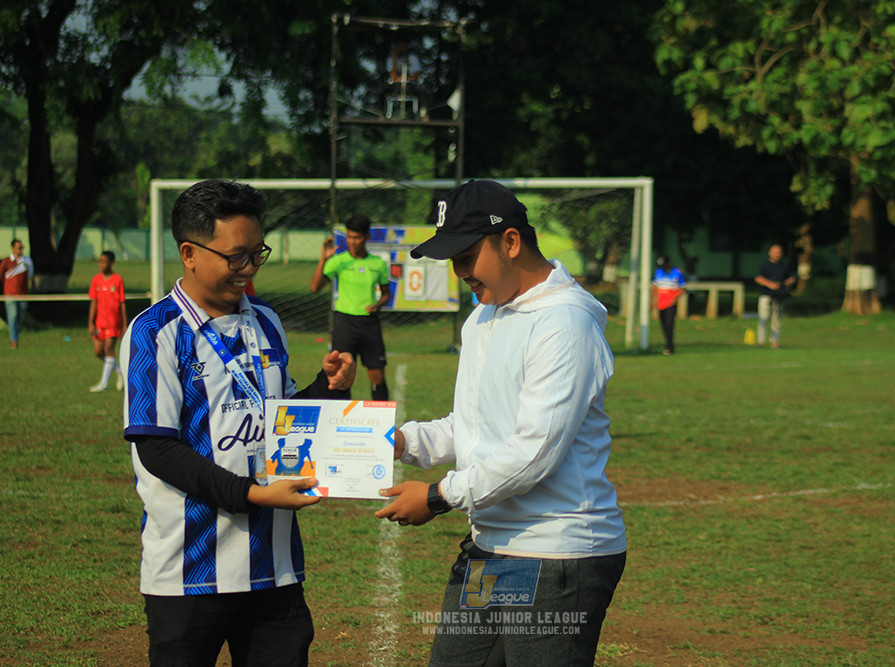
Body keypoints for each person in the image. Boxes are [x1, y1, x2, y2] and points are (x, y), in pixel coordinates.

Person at [374, 180, 627, 666]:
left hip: (557, 553)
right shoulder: (482, 318)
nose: (459, 272)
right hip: (490, 544)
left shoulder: (564, 323)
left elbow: (533, 453)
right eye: (453, 260)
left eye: (467, 256)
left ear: (510, 242)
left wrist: (437, 496)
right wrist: (402, 441)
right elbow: (473, 423)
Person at [121, 179, 357, 667]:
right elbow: (158, 450)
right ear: (189, 253)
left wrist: (329, 388)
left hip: (275, 570)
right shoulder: (155, 332)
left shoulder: (266, 321)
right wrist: (253, 495)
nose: (248, 268)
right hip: (187, 575)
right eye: (235, 257)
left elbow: (285, 422)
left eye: (256, 254)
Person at [310, 214, 391, 401]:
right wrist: (323, 259)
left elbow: (386, 294)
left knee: (377, 376)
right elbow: (314, 288)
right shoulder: (339, 261)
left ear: (367, 237)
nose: (352, 242)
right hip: (344, 323)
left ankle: (382, 418)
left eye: (357, 237)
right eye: (349, 237)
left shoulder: (378, 263)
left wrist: (378, 304)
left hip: (369, 324)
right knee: (340, 375)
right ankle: (339, 416)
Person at [88, 251, 128, 392]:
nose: (101, 265)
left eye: (104, 262)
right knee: (98, 352)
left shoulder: (117, 280)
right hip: (100, 322)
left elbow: (122, 303)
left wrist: (125, 324)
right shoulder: (96, 280)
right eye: (100, 261)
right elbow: (94, 302)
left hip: (113, 322)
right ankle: (118, 370)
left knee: (109, 350)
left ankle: (104, 384)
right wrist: (91, 322)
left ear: (111, 264)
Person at [754, 244, 796, 349]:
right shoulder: (764, 265)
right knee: (763, 319)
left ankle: (775, 341)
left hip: (779, 297)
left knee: (776, 320)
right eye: (775, 252)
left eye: (779, 252)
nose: (777, 254)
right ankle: (760, 342)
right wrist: (770, 284)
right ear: (770, 253)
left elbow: (791, 277)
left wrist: (788, 282)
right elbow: (758, 278)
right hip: (766, 296)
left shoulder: (784, 266)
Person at [1, 239, 33, 349]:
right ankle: (13, 341)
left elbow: (30, 275)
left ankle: (16, 336)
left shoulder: (27, 261)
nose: (21, 250)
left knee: (20, 317)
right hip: (10, 294)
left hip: (23, 294)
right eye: (19, 248)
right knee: (13, 316)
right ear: (13, 248)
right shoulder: (6, 262)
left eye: (22, 248)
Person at [651, 255, 686, 355]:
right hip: (661, 303)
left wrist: (675, 298)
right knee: (664, 325)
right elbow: (655, 287)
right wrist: (652, 301)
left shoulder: (677, 272)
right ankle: (667, 343)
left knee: (669, 324)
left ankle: (669, 346)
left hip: (670, 303)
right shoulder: (658, 272)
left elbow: (683, 287)